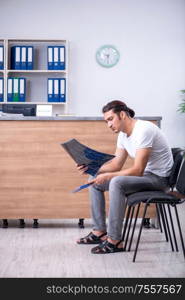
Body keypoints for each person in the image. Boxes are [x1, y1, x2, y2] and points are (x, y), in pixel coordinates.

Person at [76, 100, 173, 254]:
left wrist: (108, 176)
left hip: (159, 179)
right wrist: (94, 168)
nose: (108, 124)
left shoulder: (144, 130)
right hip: (146, 176)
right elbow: (116, 164)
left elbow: (138, 170)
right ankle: (99, 231)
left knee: (116, 182)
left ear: (122, 115)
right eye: (106, 121)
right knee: (93, 181)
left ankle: (115, 240)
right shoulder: (123, 135)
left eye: (110, 119)